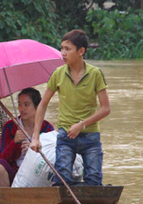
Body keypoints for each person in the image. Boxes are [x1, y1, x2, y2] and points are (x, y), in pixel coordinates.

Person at [30, 29, 111, 186]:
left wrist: (82, 125)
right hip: (66, 135)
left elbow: (106, 108)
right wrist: (35, 137)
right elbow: (43, 104)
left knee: (94, 181)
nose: (63, 53)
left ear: (81, 51)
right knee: (62, 181)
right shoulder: (58, 74)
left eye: (68, 49)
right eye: (62, 48)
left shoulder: (95, 74)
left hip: (90, 136)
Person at [0, 88, 54, 187]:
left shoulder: (47, 127)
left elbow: (52, 155)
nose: (22, 109)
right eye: (19, 104)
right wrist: (15, 142)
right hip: (15, 170)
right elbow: (3, 157)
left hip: (37, 172)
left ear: (37, 106)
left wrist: (33, 153)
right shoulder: (10, 126)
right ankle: (6, 198)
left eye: (26, 105)